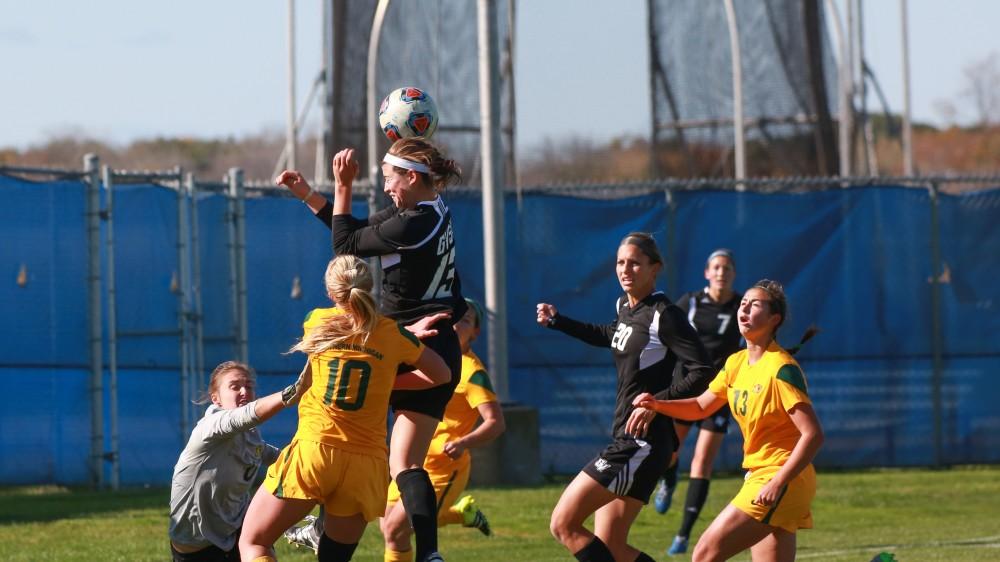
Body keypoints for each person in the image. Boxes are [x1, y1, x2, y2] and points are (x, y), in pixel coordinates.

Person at [277, 137, 466, 562]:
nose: (385, 188)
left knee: (353, 440)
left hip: (411, 345)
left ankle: (329, 528)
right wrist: (310, 196)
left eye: (389, 178)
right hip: (418, 342)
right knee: (389, 456)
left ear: (412, 177)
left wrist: (343, 185)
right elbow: (357, 233)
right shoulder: (427, 211)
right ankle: (428, 554)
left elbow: (346, 247)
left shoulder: (413, 223)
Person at [238, 255, 451, 562]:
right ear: (371, 288)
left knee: (254, 543)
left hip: (317, 452)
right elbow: (441, 374)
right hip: (366, 465)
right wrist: (387, 376)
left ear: (330, 293)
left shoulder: (316, 321)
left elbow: (353, 333)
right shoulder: (392, 334)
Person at [537, 232, 715, 562]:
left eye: (635, 263)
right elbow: (610, 334)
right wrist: (559, 322)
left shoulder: (666, 314)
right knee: (613, 547)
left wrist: (658, 403)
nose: (625, 269)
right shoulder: (625, 307)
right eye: (620, 262)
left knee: (564, 523)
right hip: (630, 437)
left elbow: (703, 369)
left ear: (655, 268)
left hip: (643, 442)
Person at [284, 298, 506, 561]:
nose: (457, 325)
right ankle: (461, 515)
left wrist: (462, 442)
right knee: (389, 527)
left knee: (395, 528)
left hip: (441, 468)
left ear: (476, 332)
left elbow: (496, 422)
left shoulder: (472, 372)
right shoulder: (417, 351)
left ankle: (433, 548)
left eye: (466, 320)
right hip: (402, 464)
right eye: (454, 319)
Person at [633, 280, 824, 562]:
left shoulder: (781, 368)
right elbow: (701, 406)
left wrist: (778, 482)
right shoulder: (736, 363)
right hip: (762, 477)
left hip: (781, 479)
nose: (744, 308)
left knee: (704, 555)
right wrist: (658, 404)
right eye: (743, 303)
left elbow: (813, 435)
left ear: (774, 319)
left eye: (755, 304)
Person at [168, 360, 306, 561]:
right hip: (197, 544)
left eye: (249, 386)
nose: (244, 391)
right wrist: (292, 392)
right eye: (235, 386)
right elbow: (245, 416)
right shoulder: (211, 425)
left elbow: (279, 458)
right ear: (216, 399)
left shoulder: (250, 436)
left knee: (259, 545)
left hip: (234, 532)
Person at [654, 249, 743, 556]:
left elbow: (755, 339)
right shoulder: (690, 303)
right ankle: (668, 478)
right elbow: (664, 334)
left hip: (718, 394)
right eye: (716, 267)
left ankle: (683, 536)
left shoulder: (741, 307)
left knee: (702, 462)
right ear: (707, 272)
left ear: (734, 274)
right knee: (669, 452)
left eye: (727, 268)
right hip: (686, 389)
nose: (722, 273)